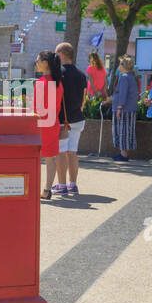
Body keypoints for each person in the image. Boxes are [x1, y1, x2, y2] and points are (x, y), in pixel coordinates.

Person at [53, 43, 87, 196]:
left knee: (61, 152)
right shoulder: (81, 74)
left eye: (56, 53)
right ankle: (73, 184)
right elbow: (84, 98)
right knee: (72, 152)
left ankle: (61, 185)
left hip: (62, 120)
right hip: (78, 119)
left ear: (62, 54)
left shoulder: (58, 73)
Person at [34, 51, 67, 200]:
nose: (36, 62)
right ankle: (47, 189)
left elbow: (37, 109)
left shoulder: (41, 83)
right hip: (53, 123)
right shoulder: (58, 83)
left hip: (41, 124)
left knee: (35, 158)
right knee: (51, 159)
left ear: (45, 63)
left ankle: (36, 189)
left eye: (38, 60)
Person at [110, 56, 139, 162]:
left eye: (120, 64)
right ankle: (123, 153)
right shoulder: (130, 76)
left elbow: (123, 93)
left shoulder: (124, 77)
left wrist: (119, 107)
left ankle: (123, 154)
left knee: (122, 131)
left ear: (124, 66)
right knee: (127, 130)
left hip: (123, 109)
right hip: (129, 109)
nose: (118, 66)